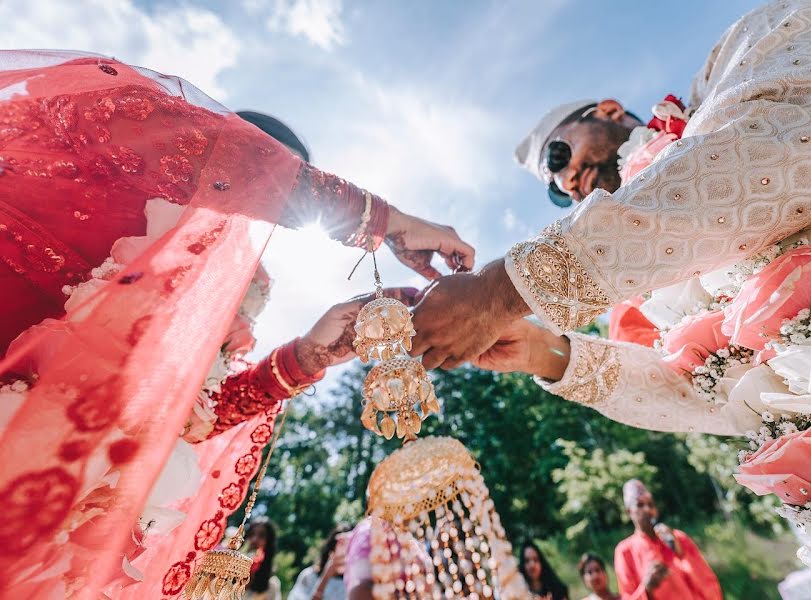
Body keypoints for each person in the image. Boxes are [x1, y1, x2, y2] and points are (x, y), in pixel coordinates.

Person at [0, 50, 474, 599]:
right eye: (272, 184)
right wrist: (387, 223)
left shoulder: (213, 289)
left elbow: (184, 421)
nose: (255, 219)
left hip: (50, 522)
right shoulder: (99, 148)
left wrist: (308, 356)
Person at [411, 0, 811, 434]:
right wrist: (543, 351)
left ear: (606, 110)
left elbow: (793, 153)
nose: (566, 182)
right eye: (557, 191)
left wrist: (498, 292)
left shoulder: (744, 50)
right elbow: (719, 403)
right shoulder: (651, 283)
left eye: (559, 155)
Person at [613, 480, 720, 600]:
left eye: (651, 504)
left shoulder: (678, 538)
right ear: (628, 512)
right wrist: (647, 589)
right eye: (640, 505)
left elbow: (709, 583)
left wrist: (681, 554)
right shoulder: (625, 551)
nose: (647, 510)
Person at [288, 526, 351, 600]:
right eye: (341, 544)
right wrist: (327, 575)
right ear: (331, 549)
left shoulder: (350, 584)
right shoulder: (309, 576)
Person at [245, 519, 282, 600]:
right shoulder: (230, 574)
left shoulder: (271, 585)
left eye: (261, 536)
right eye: (251, 534)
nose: (254, 540)